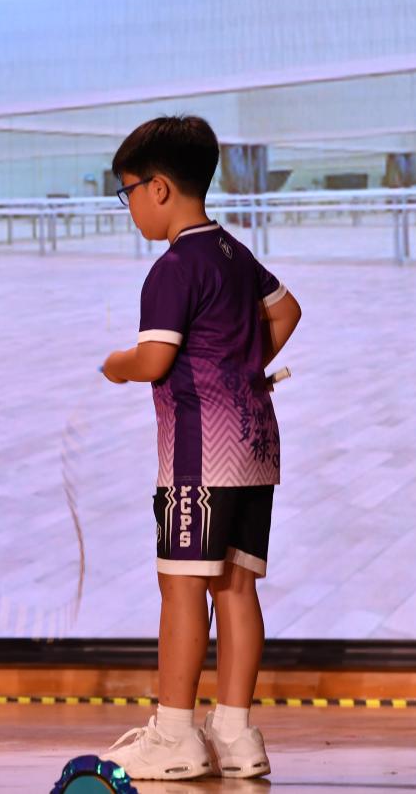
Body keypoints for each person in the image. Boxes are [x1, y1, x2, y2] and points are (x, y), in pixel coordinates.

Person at [99, 116, 302, 780]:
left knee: (181, 585)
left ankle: (175, 733)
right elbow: (287, 311)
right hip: (255, 444)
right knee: (236, 586)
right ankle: (236, 734)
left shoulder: (173, 267)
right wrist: (241, 364)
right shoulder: (234, 253)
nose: (129, 206)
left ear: (158, 188)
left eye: (126, 192)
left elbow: (154, 359)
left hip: (200, 455)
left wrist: (116, 365)